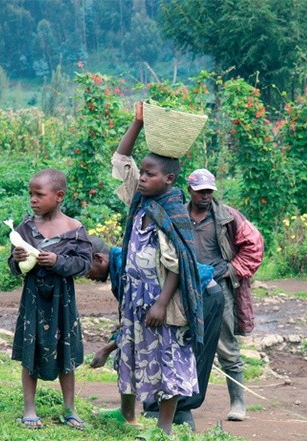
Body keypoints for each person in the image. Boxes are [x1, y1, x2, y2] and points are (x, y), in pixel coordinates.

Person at [109, 102, 203, 435]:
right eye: (143, 173)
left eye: (150, 174)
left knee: (168, 359)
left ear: (169, 179)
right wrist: (136, 123)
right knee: (131, 352)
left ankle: (164, 427)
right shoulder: (141, 200)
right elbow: (121, 161)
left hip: (162, 300)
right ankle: (127, 416)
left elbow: (178, 264)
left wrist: (161, 303)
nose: (144, 178)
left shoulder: (173, 211)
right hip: (135, 296)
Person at [86, 242, 224, 430]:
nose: (86, 276)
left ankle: (181, 421)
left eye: (85, 270)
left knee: (178, 356)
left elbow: (142, 314)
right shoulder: (122, 264)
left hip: (202, 295)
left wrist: (108, 348)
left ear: (99, 258)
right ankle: (127, 414)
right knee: (132, 350)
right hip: (173, 299)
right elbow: (133, 318)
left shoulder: (128, 263)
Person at [8, 168, 93, 430]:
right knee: (31, 351)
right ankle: (29, 409)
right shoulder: (26, 227)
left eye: (39, 195)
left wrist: (58, 261)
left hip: (62, 301)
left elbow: (85, 264)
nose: (33, 199)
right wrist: (17, 260)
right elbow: (12, 263)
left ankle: (69, 408)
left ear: (59, 196)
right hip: (33, 299)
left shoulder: (75, 229)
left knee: (65, 350)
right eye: (30, 194)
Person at [185, 168, 264, 422]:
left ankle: (238, 403)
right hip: (184, 289)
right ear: (191, 191)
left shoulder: (227, 217)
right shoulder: (179, 215)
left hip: (218, 290)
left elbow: (254, 245)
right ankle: (181, 402)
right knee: (182, 345)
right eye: (200, 192)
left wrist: (231, 269)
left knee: (226, 347)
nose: (205, 196)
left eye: (209, 191)